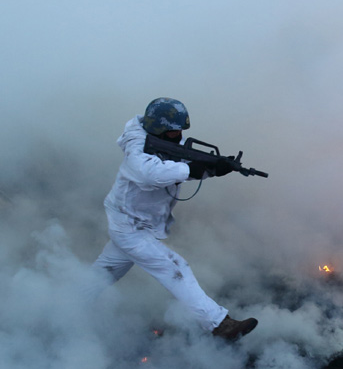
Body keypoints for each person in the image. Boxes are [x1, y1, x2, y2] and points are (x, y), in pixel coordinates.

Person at [90, 98, 258, 340]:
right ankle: (219, 324)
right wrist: (195, 170)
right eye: (173, 131)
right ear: (158, 128)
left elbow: (180, 162)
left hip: (137, 222)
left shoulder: (163, 141)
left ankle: (63, 306)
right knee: (176, 268)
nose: (178, 135)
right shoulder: (136, 146)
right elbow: (149, 173)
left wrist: (215, 167)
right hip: (129, 226)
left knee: (104, 273)